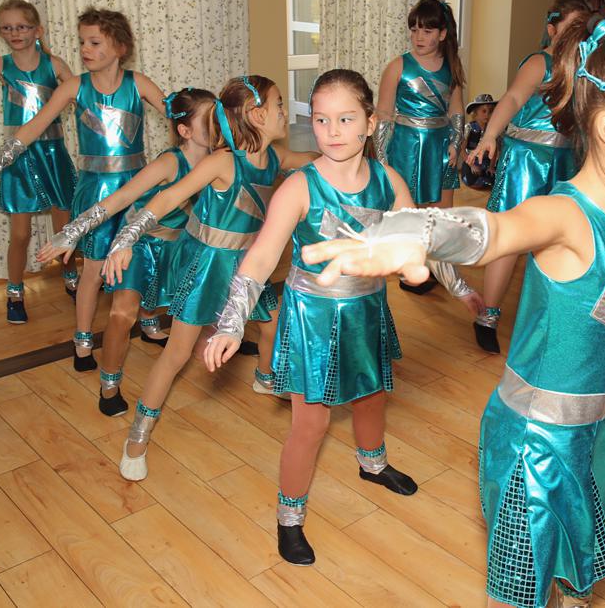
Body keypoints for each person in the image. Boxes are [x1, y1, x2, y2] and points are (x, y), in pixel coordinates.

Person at [297, 18, 605, 608]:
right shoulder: (566, 215)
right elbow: (496, 229)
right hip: (540, 438)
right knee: (521, 586)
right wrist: (416, 233)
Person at [202, 69, 476, 565]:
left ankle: (373, 464)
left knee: (371, 396)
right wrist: (230, 322)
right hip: (312, 318)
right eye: (321, 119)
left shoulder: (388, 181)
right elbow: (260, 258)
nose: (332, 131)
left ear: (370, 123)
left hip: (366, 308)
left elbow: (422, 240)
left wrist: (458, 288)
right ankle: (289, 517)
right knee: (310, 424)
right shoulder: (298, 187)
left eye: (346, 119)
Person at [102, 76, 308, 480]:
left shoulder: (276, 157)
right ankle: (137, 437)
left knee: (272, 324)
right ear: (257, 115)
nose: (285, 113)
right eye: (280, 105)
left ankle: (265, 379)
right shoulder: (222, 162)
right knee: (177, 354)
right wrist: (126, 238)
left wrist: (350, 149)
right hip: (207, 265)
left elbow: (312, 159)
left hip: (248, 264)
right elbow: (167, 197)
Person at [0, 7, 167, 371]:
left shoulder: (138, 84)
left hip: (138, 186)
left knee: (145, 255)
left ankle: (150, 319)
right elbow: (32, 128)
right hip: (95, 191)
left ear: (120, 47)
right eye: (82, 43)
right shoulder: (75, 87)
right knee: (93, 269)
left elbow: (179, 116)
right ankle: (83, 341)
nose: (85, 50)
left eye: (95, 42)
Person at [37, 88, 218, 416]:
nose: (218, 125)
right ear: (185, 130)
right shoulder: (169, 162)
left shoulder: (220, 161)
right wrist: (71, 232)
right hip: (138, 245)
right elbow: (121, 198)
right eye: (210, 120)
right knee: (122, 315)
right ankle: (109, 385)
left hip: (180, 248)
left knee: (187, 313)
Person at [465, 0, 589, 353]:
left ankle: (549, 316)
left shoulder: (585, 68)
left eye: (582, 30)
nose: (576, 36)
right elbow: (513, 99)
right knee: (511, 237)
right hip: (527, 160)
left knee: (558, 240)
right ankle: (487, 315)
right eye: (570, 28)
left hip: (564, 161)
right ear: (552, 29)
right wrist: (489, 136)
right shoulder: (540, 62)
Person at [0, 0, 78, 324]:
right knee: (21, 235)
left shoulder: (54, 64)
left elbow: (80, 98)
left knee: (65, 230)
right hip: (18, 159)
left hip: (53, 154)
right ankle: (14, 292)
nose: (15, 33)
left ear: (37, 30)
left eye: (22, 27)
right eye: (7, 28)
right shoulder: (0, 64)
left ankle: (72, 280)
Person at [377, 0, 466, 216]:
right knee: (404, 211)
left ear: (442, 34)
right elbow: (383, 114)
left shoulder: (452, 66)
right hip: (406, 147)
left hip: (441, 147)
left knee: (441, 214)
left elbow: (456, 109)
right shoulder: (398, 66)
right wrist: (381, 158)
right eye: (414, 30)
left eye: (427, 32)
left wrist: (456, 142)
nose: (418, 37)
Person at [461, 93, 499, 189]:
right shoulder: (469, 127)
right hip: (471, 161)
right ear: (475, 112)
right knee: (471, 175)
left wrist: (491, 166)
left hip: (485, 161)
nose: (487, 115)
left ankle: (486, 179)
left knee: (494, 176)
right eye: (484, 111)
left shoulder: (491, 130)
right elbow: (462, 149)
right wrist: (471, 165)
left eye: (490, 112)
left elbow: (494, 151)